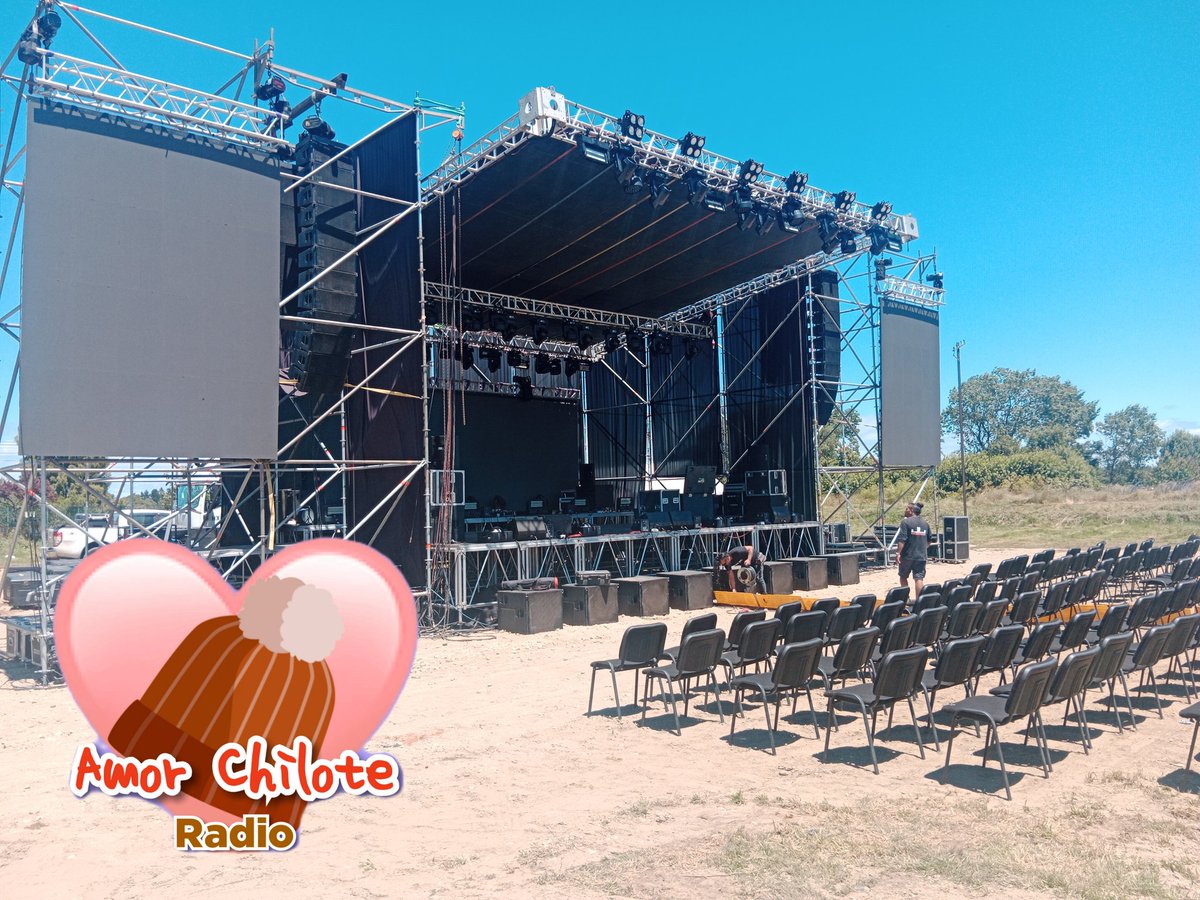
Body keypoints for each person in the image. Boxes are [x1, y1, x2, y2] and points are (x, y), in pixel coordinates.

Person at [895, 501, 932, 595]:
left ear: (911, 510)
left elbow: (902, 539)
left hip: (907, 556)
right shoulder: (925, 523)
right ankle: (919, 601)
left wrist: (898, 553)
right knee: (919, 578)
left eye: (907, 508)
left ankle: (905, 598)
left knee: (903, 577)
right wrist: (921, 549)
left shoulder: (905, 522)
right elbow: (929, 541)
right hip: (921, 556)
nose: (905, 510)